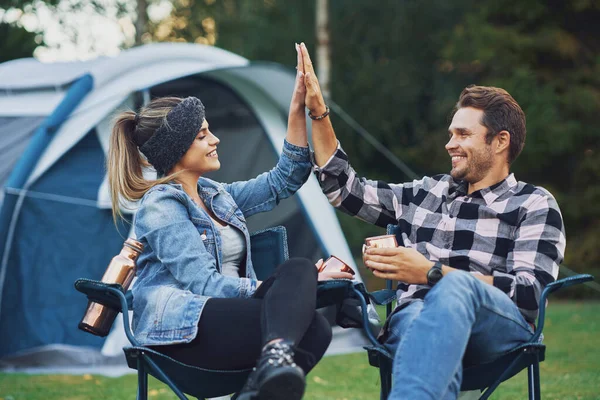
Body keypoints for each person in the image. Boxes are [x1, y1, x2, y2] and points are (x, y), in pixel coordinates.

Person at [296, 43, 566, 399]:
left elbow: (531, 295)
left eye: (463, 135)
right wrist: (318, 112)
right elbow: (343, 188)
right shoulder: (426, 193)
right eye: (451, 133)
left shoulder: (533, 203)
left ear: (500, 142)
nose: (449, 144)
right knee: (417, 318)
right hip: (415, 320)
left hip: (496, 330)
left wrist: (430, 273)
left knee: (453, 289)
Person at [107, 45, 353, 400]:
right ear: (176, 149)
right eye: (202, 134)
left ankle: (265, 372)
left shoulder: (215, 195)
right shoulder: (159, 207)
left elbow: (285, 179)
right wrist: (281, 288)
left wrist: (299, 108)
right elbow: (204, 284)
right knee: (302, 280)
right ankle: (274, 355)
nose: (215, 139)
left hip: (229, 320)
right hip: (182, 333)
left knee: (316, 325)